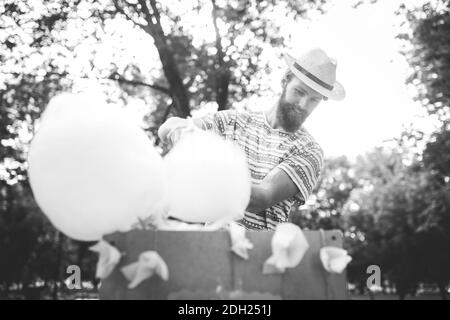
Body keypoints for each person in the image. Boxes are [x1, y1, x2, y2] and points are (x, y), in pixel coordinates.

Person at [158, 48, 345, 230]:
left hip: (261, 252)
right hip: (211, 243)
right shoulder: (234, 121)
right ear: (285, 81)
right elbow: (170, 126)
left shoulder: (309, 150)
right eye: (299, 92)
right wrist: (182, 134)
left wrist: (209, 172)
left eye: (314, 100)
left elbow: (262, 198)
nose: (303, 105)